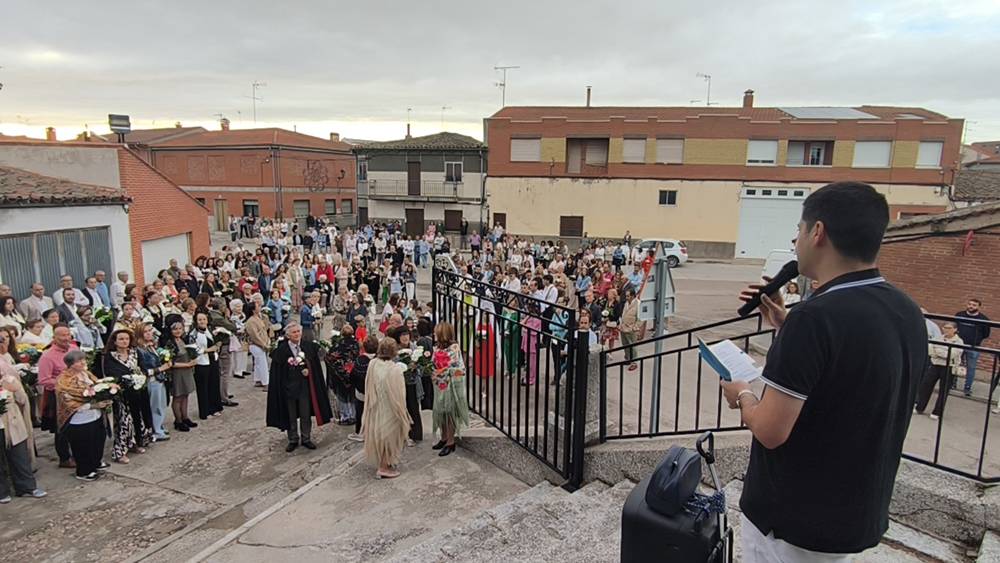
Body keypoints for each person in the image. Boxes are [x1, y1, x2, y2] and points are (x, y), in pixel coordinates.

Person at [721, 182, 926, 560]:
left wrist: (743, 394)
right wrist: (785, 324)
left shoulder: (814, 319)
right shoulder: (905, 309)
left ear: (817, 232)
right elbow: (851, 368)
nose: (795, 241)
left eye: (798, 231)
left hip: (791, 523)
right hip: (851, 513)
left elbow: (770, 430)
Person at [265, 323, 333, 452]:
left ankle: (306, 438)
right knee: (290, 414)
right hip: (288, 388)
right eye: (294, 332)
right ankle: (293, 439)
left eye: (298, 331)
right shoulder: (281, 350)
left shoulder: (308, 346)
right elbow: (277, 372)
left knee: (305, 413)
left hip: (304, 387)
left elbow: (315, 365)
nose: (297, 334)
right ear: (288, 335)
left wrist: (308, 370)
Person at [361, 337, 410, 479]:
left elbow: (369, 384)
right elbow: (400, 393)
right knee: (389, 436)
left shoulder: (373, 364)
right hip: (390, 407)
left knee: (380, 435)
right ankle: (384, 467)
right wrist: (402, 412)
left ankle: (384, 463)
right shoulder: (395, 369)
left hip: (376, 405)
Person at [56, 349, 108, 482]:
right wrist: (93, 405)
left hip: (94, 415)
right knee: (82, 445)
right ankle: (84, 471)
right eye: (79, 361)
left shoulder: (85, 373)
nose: (83, 363)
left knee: (97, 440)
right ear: (71, 364)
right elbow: (68, 400)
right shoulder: (64, 379)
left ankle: (95, 463)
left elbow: (97, 385)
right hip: (79, 418)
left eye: (84, 360)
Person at [103, 329, 153, 463]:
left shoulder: (135, 353)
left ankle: (135, 444)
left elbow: (143, 368)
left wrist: (140, 377)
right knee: (124, 422)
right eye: (121, 339)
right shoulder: (110, 356)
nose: (124, 341)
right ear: (115, 341)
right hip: (122, 395)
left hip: (138, 392)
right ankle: (120, 452)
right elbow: (109, 374)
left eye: (126, 339)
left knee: (138, 419)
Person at [38, 324, 77, 468]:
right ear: (54, 338)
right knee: (62, 428)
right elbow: (44, 380)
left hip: (77, 393)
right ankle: (64, 458)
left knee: (76, 425)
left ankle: (77, 453)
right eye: (62, 335)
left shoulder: (74, 349)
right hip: (58, 396)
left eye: (68, 334)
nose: (66, 338)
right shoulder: (47, 356)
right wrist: (65, 384)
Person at [431, 322, 468, 457]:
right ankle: (443, 437)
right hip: (438, 384)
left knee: (449, 413)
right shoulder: (436, 347)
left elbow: (459, 368)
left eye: (437, 332)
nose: (434, 335)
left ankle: (450, 442)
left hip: (450, 385)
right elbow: (433, 363)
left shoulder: (454, 348)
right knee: (440, 411)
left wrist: (443, 371)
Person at [136, 323, 171, 441]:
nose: (149, 333)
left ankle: (159, 425)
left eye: (150, 330)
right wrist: (162, 368)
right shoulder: (140, 350)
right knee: (155, 406)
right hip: (152, 380)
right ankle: (156, 430)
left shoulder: (151, 346)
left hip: (160, 379)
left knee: (161, 404)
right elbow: (145, 370)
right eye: (146, 332)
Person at [164, 320, 198, 431]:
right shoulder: (170, 343)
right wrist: (187, 364)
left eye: (180, 328)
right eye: (175, 329)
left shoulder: (184, 340)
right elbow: (169, 362)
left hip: (187, 371)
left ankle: (185, 417)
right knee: (178, 397)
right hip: (178, 372)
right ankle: (178, 420)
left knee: (185, 395)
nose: (178, 331)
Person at [189, 312, 224, 420]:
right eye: (200, 320)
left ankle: (214, 407)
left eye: (204, 319)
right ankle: (205, 411)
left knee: (214, 384)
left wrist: (218, 345)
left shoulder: (210, 330)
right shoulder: (193, 334)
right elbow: (193, 349)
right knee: (203, 388)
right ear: (196, 321)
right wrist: (208, 350)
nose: (202, 321)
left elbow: (216, 341)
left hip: (212, 360)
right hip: (201, 362)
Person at [954, 299, 990, 397]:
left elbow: (986, 334)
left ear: (978, 307)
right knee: (955, 364)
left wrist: (976, 340)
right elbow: (954, 327)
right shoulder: (959, 315)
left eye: (974, 305)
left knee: (971, 368)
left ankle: (967, 388)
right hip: (958, 344)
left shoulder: (984, 319)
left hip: (973, 347)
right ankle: (952, 383)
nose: (971, 306)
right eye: (969, 304)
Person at [348, 335, 378, 442]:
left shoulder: (359, 360)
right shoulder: (378, 359)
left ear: (363, 347)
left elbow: (353, 376)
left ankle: (360, 431)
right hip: (376, 394)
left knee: (360, 412)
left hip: (361, 393)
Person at [245, 303, 271, 389]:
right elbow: (254, 335)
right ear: (253, 310)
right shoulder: (251, 321)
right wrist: (263, 344)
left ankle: (258, 379)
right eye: (258, 306)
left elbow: (265, 328)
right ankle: (265, 382)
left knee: (258, 363)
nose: (260, 307)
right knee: (262, 363)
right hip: (256, 345)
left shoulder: (258, 318)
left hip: (262, 342)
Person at [619, 288, 643, 371]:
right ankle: (628, 359)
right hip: (624, 327)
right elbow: (623, 313)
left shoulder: (638, 304)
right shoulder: (626, 303)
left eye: (628, 296)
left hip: (631, 328)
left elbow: (640, 318)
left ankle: (634, 362)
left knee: (632, 345)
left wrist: (635, 327)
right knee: (625, 344)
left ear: (633, 296)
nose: (626, 297)